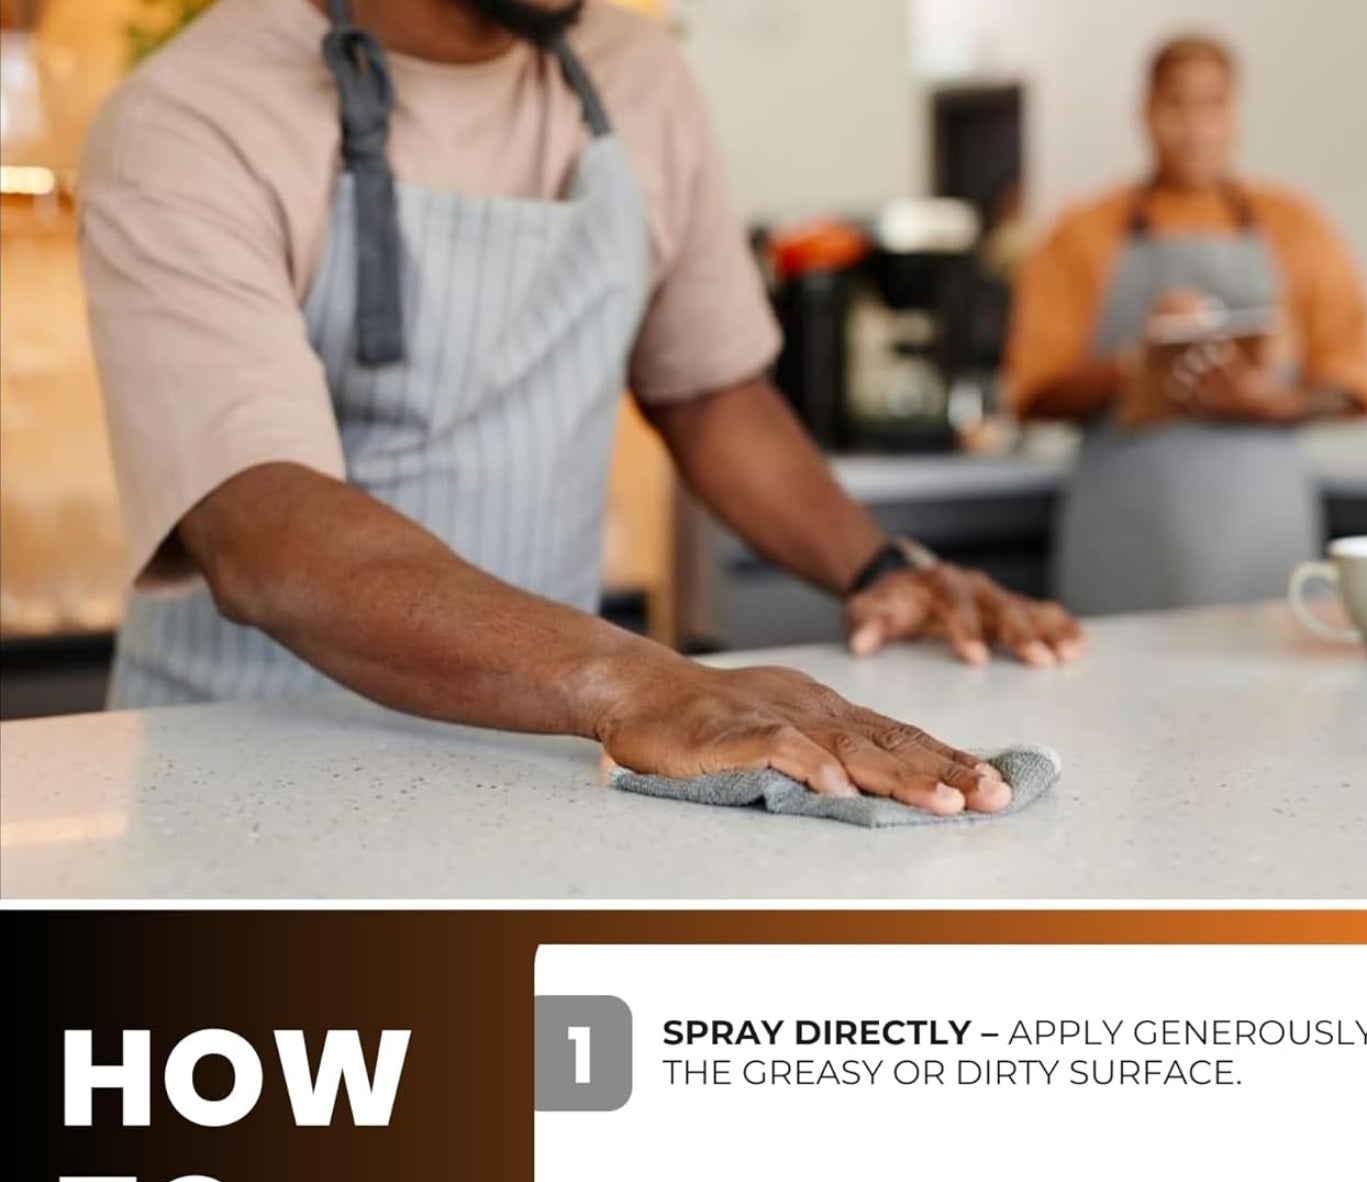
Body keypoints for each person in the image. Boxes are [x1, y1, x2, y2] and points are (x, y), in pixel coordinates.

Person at [79, 0, 1085, 818]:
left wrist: (880, 571)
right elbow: (262, 531)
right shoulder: (191, 117)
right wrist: (642, 686)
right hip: (244, 779)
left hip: (543, 761)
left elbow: (708, 388)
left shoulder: (637, 77)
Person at [1007, 34, 1367, 616]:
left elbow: (1353, 385)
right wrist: (1138, 364)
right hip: (1124, 544)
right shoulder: (1081, 233)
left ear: (1236, 112)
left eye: (1212, 104)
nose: (1195, 126)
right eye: (1175, 105)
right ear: (1146, 112)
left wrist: (1274, 403)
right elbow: (1032, 393)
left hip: (1261, 543)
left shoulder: (1298, 227)